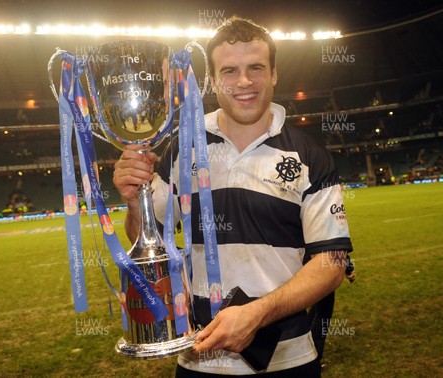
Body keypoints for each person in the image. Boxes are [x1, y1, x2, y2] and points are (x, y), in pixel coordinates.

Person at [114, 16, 353, 377]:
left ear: (274, 74)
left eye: (256, 68)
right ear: (212, 80)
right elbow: (145, 241)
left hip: (287, 359)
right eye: (229, 71)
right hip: (199, 359)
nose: (244, 82)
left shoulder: (310, 156)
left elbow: (332, 263)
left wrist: (256, 314)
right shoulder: (182, 148)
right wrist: (136, 204)